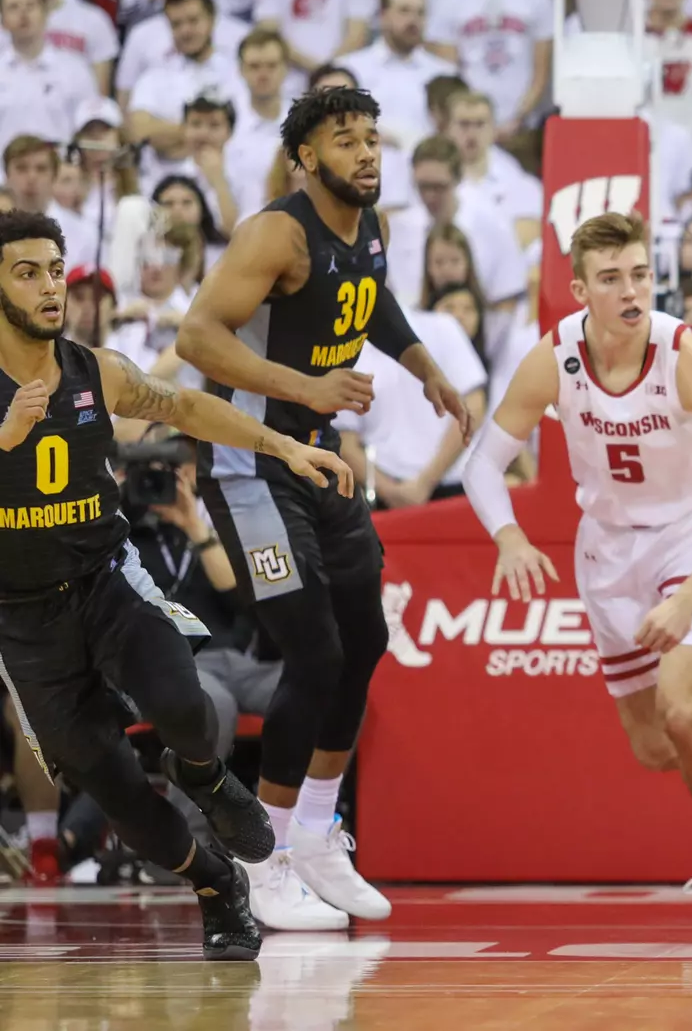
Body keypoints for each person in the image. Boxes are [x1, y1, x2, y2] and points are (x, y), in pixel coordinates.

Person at [460, 212, 692, 931]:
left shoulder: (685, 355)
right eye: (611, 279)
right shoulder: (555, 357)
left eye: (639, 274)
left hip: (691, 540)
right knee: (659, 746)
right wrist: (508, 537)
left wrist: (688, 599)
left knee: (683, 710)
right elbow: (483, 464)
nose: (631, 291)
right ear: (581, 291)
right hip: (605, 552)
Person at [0, 209, 355, 959]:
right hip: (22, 620)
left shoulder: (95, 370)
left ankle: (206, 778)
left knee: (186, 707)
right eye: (27, 273)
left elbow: (186, 406)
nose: (50, 287)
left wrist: (282, 445)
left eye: (55, 269)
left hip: (107, 581)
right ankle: (216, 886)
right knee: (117, 794)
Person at [175, 88, 473, 931]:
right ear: (305, 158)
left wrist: (423, 365)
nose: (366, 152)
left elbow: (370, 298)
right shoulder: (277, 233)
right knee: (312, 650)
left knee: (365, 640)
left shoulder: (369, 223)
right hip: (250, 463)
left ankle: (314, 833)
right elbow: (197, 337)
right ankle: (262, 855)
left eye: (372, 137)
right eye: (345, 140)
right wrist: (305, 386)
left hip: (320, 457)